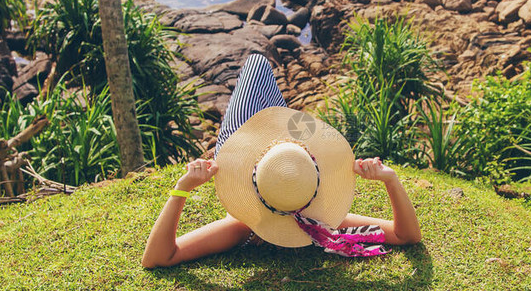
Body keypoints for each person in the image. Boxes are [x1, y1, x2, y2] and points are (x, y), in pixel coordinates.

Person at [141, 54, 421, 268]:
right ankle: (280, 120)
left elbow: (156, 258)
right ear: (313, 185)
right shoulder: (319, 219)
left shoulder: (239, 228)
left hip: (238, 148)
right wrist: (390, 179)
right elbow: (407, 237)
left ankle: (278, 118)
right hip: (292, 155)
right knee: (260, 66)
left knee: (257, 62)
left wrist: (183, 188)